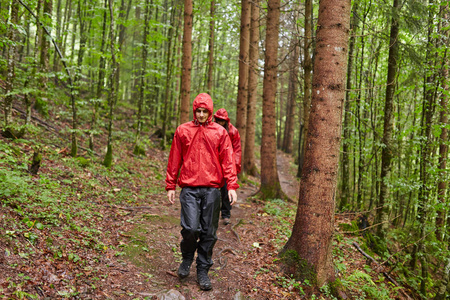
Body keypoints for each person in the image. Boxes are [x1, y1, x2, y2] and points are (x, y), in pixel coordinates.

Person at [165, 93, 239, 291]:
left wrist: (231, 185)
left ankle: (203, 270)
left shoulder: (220, 133)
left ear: (210, 112)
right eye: (197, 110)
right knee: (190, 228)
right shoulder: (183, 130)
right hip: (189, 188)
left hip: (212, 189)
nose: (200, 114)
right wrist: (170, 185)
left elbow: (228, 160)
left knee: (209, 232)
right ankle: (187, 259)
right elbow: (174, 158)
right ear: (193, 110)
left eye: (204, 111)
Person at [213, 108, 242, 225]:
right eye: (218, 120)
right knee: (213, 191)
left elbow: (237, 150)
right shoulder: (211, 129)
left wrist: (234, 168)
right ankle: (212, 214)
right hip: (214, 165)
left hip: (227, 165)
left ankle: (226, 214)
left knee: (226, 190)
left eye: (222, 121)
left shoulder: (233, 131)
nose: (220, 123)